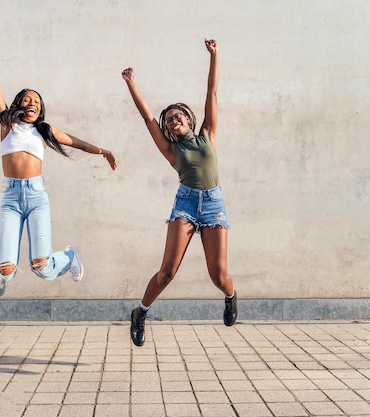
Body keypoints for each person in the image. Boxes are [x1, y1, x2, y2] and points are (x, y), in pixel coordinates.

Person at [0, 34, 117, 308]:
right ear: (19, 105)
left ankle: (68, 256)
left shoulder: (44, 131)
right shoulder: (8, 124)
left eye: (37, 102)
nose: (32, 103)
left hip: (37, 196)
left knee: (42, 266)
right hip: (11, 199)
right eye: (27, 100)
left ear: (40, 111)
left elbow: (78, 142)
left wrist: (104, 152)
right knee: (4, 270)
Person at [121, 39, 237, 346]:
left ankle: (231, 297)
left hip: (213, 204)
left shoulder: (208, 136)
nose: (173, 121)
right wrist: (131, 83)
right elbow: (148, 119)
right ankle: (141, 312)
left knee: (219, 276)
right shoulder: (171, 150)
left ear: (188, 119)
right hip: (186, 204)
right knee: (168, 272)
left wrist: (215, 55)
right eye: (169, 120)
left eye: (178, 116)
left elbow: (211, 92)